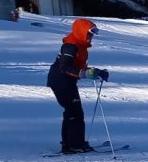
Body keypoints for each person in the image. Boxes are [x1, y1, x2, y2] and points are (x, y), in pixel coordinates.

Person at [46, 19, 108, 153]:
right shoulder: (71, 46)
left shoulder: (80, 47)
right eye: (89, 34)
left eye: (92, 34)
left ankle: (72, 143)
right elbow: (64, 67)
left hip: (66, 80)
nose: (91, 37)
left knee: (73, 111)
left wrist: (97, 72)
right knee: (74, 111)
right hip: (60, 80)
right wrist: (84, 73)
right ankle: (74, 145)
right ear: (81, 32)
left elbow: (78, 67)